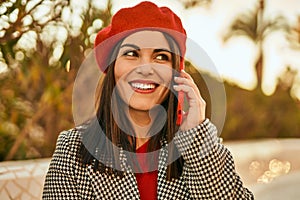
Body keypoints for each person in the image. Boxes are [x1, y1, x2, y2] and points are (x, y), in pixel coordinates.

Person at [42, 1, 254, 199]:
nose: (145, 69)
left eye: (161, 57)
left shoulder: (198, 148)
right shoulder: (73, 149)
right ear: (112, 67)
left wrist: (195, 137)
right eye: (131, 54)